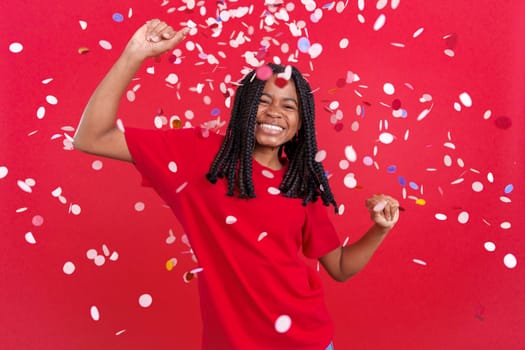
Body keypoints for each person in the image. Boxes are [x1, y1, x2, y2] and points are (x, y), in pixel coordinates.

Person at [74, 19, 400, 350]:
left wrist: (380, 228)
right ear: (243, 107)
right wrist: (135, 54)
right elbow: (91, 138)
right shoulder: (197, 156)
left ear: (302, 123)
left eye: (289, 106)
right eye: (263, 100)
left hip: (310, 341)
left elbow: (341, 267)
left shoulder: (301, 184)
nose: (275, 112)